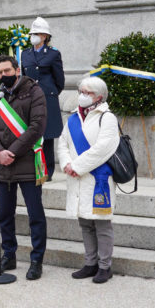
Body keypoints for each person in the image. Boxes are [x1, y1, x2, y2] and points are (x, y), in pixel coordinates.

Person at [0, 55, 48, 280]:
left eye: (7, 71)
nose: (4, 75)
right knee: (4, 214)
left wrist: (11, 152)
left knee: (35, 215)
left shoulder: (34, 91)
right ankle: (8, 255)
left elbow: (37, 126)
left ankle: (36, 260)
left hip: (27, 162)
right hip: (3, 165)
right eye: (0, 72)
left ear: (17, 70)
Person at [58, 77, 120, 284]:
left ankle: (105, 266)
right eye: (81, 91)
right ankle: (90, 263)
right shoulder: (73, 118)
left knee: (102, 225)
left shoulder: (107, 118)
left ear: (99, 96)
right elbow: (63, 143)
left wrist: (77, 166)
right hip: (77, 179)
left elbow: (103, 148)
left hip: (97, 178)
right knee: (85, 223)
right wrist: (67, 164)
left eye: (88, 92)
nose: (82, 96)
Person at [21, 16, 65, 179]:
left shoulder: (53, 54)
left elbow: (59, 80)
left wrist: (50, 93)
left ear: (45, 36)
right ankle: (33, 168)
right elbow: (24, 76)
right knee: (31, 133)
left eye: (37, 33)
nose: (34, 36)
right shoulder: (25, 54)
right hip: (30, 98)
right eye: (32, 33)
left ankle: (48, 171)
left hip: (47, 98)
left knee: (47, 135)